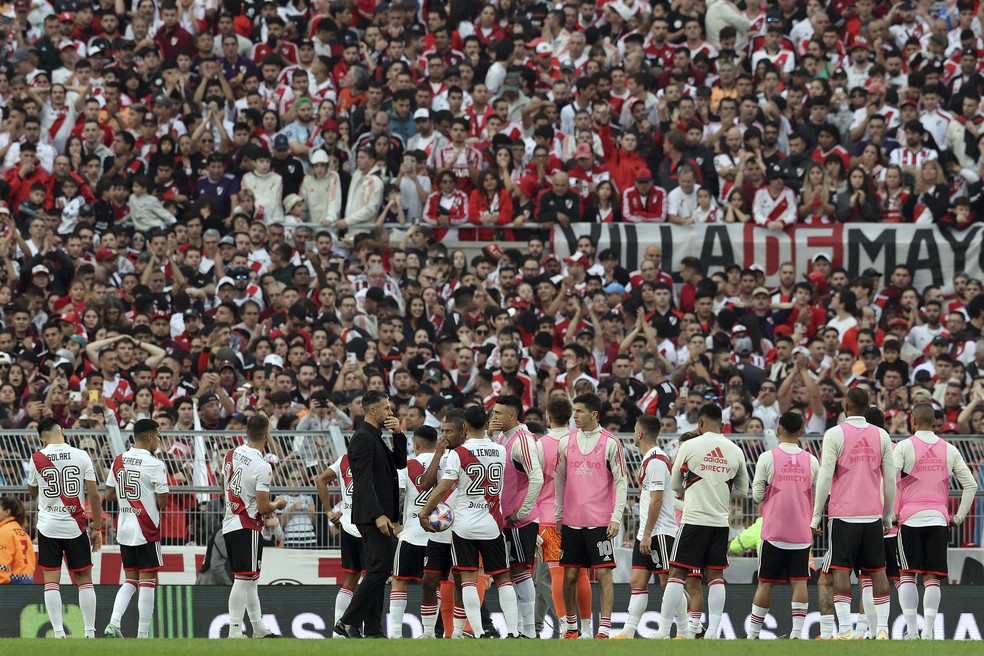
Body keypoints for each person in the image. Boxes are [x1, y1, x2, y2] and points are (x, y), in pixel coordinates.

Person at [418, 404, 520, 639]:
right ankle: (513, 631)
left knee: (467, 579)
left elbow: (443, 487)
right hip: (493, 523)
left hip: (464, 525)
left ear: (464, 428)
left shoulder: (458, 454)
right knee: (503, 577)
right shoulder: (500, 450)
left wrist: (426, 511)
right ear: (486, 424)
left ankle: (477, 631)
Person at [655, 403, 748, 640]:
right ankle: (713, 633)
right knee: (716, 576)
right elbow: (742, 490)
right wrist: (720, 491)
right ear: (722, 423)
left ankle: (665, 630)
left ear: (700, 423)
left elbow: (675, 484)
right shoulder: (735, 450)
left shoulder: (689, 445)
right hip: (719, 521)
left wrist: (694, 487)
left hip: (694, 518)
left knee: (676, 573)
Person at [810, 387, 895, 640]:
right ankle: (882, 629)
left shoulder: (834, 433)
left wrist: (816, 514)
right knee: (878, 571)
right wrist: (887, 514)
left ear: (845, 407)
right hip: (871, 515)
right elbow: (889, 479)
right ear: (867, 408)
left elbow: (825, 476)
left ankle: (845, 629)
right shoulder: (881, 435)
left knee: (840, 571)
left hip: (843, 515)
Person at [894, 402, 978, 640]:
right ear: (934, 422)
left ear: (912, 420)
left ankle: (911, 632)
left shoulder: (904, 447)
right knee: (933, 577)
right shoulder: (949, 449)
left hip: (909, 519)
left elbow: (888, 479)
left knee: (907, 574)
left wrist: (890, 512)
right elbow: (971, 485)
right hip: (939, 519)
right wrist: (959, 516)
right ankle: (929, 632)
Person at [333, 390, 407, 639]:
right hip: (372, 516)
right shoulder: (363, 438)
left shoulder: (375, 436)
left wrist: (398, 434)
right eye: (387, 408)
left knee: (379, 568)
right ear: (373, 411)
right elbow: (363, 481)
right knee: (381, 569)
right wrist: (377, 514)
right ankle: (347, 621)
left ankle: (373, 629)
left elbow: (400, 463)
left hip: (378, 514)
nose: (391, 413)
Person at [554, 392, 627, 639]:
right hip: (572, 520)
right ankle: (572, 627)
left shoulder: (610, 442)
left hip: (600, 522)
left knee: (605, 573)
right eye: (573, 410)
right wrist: (559, 514)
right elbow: (560, 479)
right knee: (570, 574)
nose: (574, 415)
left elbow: (621, 480)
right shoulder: (566, 441)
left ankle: (604, 628)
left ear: (594, 414)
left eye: (580, 411)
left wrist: (616, 517)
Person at [612, 415, 685, 640]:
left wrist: (646, 534)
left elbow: (656, 500)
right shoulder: (652, 459)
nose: (634, 433)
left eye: (634, 429)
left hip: (660, 531)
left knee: (667, 581)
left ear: (640, 434)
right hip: (649, 531)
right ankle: (628, 631)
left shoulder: (655, 461)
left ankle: (684, 630)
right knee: (637, 580)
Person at [28, 417, 102, 639]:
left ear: (42, 437)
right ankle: (89, 632)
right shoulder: (81, 455)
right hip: (74, 525)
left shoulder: (37, 458)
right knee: (84, 580)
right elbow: (94, 495)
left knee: (51, 581)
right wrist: (97, 527)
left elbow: (32, 491)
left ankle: (59, 633)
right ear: (63, 431)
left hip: (48, 526)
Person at [747, 412, 818, 640]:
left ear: (778, 430)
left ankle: (753, 634)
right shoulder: (812, 461)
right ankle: (797, 634)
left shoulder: (767, 458)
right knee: (800, 582)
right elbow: (817, 496)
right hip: (801, 532)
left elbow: (757, 494)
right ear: (801, 432)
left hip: (773, 531)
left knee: (765, 583)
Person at [222, 414, 288, 639]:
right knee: (243, 579)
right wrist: (278, 504)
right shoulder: (262, 466)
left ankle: (258, 627)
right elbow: (262, 507)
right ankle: (233, 631)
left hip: (230, 520)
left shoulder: (231, 454)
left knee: (251, 579)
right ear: (267, 434)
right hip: (247, 523)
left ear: (246, 431)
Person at [103, 418, 169, 638]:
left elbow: (109, 495)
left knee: (131, 580)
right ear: (150, 437)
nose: (159, 441)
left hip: (125, 529)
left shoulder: (119, 459)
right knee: (148, 582)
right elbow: (162, 501)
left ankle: (114, 622)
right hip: (146, 529)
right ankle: (143, 635)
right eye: (158, 436)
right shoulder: (155, 464)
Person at [536, 394, 593, 637]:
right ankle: (588, 629)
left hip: (549, 517)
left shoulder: (540, 445)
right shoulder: (578, 441)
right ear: (570, 417)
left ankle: (566, 628)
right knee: (580, 572)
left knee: (557, 571)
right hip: (578, 516)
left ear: (548, 417)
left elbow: (534, 481)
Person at [488, 395, 544, 638]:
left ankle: (529, 630)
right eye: (493, 412)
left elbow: (537, 477)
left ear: (513, 416)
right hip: (506, 520)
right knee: (513, 571)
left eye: (499, 413)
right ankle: (522, 628)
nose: (494, 416)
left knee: (520, 570)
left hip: (520, 520)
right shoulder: (503, 438)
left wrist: (521, 512)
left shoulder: (523, 441)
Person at [388, 425, 440, 638]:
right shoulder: (445, 463)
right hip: (438, 534)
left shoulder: (407, 466)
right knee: (435, 584)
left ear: (415, 444)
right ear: (436, 444)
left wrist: (395, 522)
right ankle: (430, 631)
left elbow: (395, 494)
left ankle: (396, 633)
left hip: (411, 532)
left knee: (399, 580)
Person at [316, 450, 364, 637]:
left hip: (348, 525)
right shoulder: (375, 455)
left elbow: (321, 480)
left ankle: (338, 632)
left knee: (350, 579)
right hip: (368, 525)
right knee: (370, 580)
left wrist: (329, 511)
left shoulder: (344, 459)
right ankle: (368, 629)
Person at [0, 496, 36, 584]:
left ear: (7, 512)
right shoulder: (23, 533)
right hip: (28, 581)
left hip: (10, 584)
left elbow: (2, 564)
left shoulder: (4, 532)